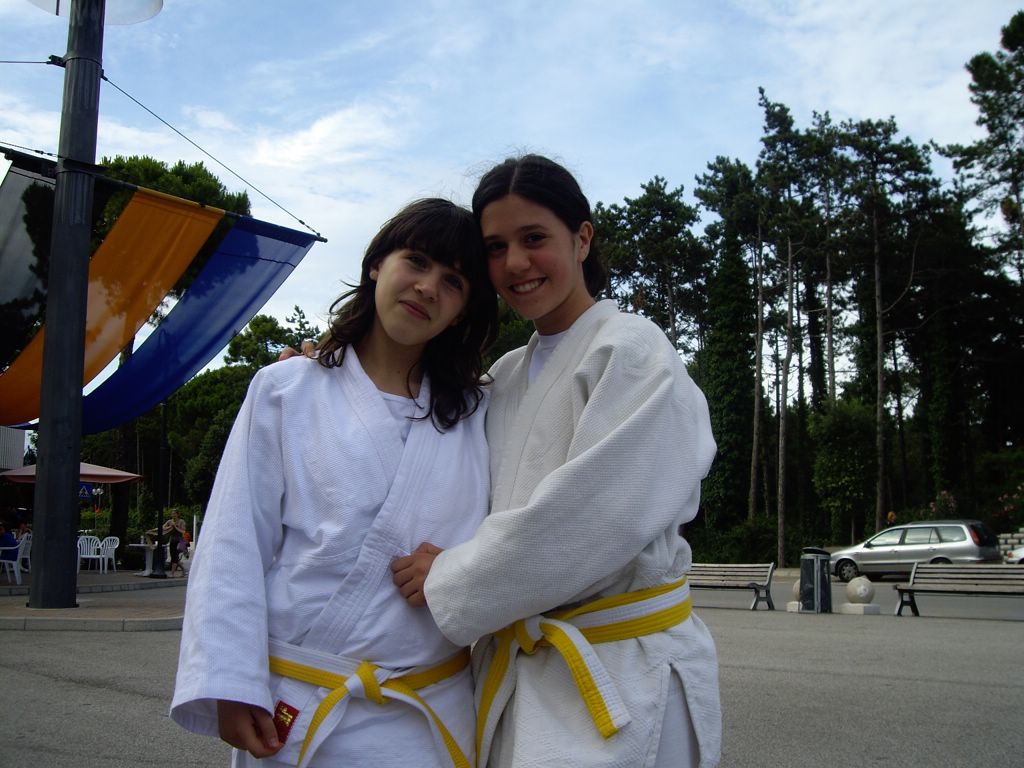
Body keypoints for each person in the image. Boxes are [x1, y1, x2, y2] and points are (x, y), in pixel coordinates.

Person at [391, 155, 721, 768]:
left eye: (534, 238)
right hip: (525, 668)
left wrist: (453, 575)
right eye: (496, 247)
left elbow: (590, 518)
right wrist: (332, 376)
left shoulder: (632, 350)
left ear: (582, 238)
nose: (515, 263)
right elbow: (424, 436)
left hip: (621, 668)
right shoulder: (506, 374)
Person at [170, 198, 498, 768]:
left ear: (462, 311)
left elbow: (517, 525)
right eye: (416, 261)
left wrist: (462, 569)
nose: (427, 288)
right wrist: (231, 681)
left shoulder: (479, 413)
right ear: (376, 264)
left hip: (426, 713)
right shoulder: (285, 390)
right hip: (300, 704)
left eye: (453, 281)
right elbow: (233, 541)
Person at [149, 508, 188, 577]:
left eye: (174, 514)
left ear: (178, 514)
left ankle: (172, 573)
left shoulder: (181, 521)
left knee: (175, 557)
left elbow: (183, 531)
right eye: (172, 514)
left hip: (179, 541)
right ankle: (183, 570)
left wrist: (175, 527)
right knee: (174, 557)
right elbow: (162, 528)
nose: (173, 515)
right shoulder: (169, 521)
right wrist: (153, 530)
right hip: (172, 540)